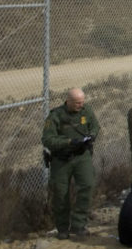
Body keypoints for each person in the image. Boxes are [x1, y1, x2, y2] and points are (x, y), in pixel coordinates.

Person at [42, 88, 100, 239]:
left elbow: (95, 126)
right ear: (68, 101)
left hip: (82, 156)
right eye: (77, 103)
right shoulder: (56, 116)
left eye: (82, 102)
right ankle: (62, 228)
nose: (80, 105)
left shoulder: (86, 111)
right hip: (62, 159)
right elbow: (47, 140)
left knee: (88, 185)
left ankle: (79, 224)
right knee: (61, 194)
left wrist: (91, 136)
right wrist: (68, 142)